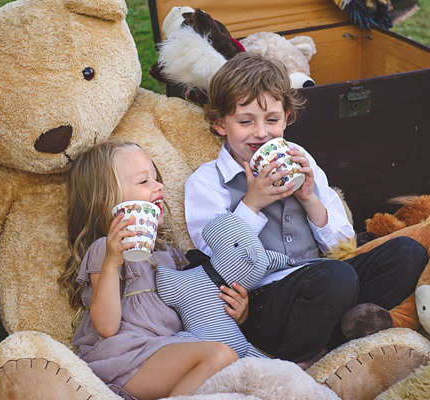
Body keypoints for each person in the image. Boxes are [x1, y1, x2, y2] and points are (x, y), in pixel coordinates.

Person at [185, 52, 428, 369]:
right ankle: (304, 355)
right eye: (245, 122)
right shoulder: (206, 183)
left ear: (286, 118)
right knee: (334, 277)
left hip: (327, 281)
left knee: (407, 252)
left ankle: (338, 337)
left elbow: (342, 244)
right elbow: (217, 264)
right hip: (262, 302)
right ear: (220, 124)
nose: (261, 133)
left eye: (272, 120)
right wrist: (252, 204)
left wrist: (310, 198)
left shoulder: (301, 160)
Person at [59, 140, 243, 400]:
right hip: (125, 360)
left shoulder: (168, 253)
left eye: (156, 178)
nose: (159, 187)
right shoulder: (105, 250)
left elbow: (197, 303)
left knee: (234, 362)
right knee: (222, 356)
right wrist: (112, 262)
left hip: (167, 348)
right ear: (105, 200)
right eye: (144, 182)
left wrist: (236, 311)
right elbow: (106, 327)